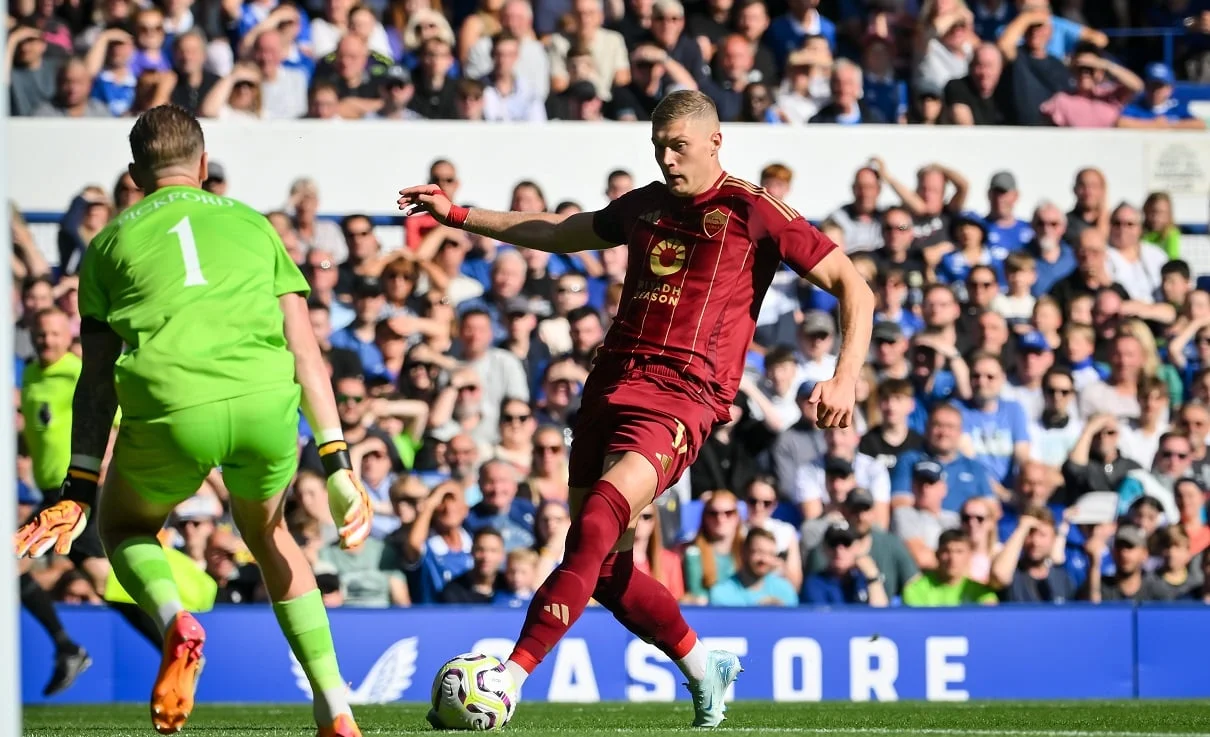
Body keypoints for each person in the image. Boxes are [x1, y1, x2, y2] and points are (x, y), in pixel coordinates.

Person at [397, 89, 874, 727]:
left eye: (679, 146)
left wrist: (843, 379)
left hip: (683, 397)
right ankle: (707, 668)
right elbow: (560, 233)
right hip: (610, 387)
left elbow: (854, 287)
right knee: (605, 567)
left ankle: (508, 677)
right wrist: (459, 215)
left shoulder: (752, 211)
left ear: (714, 142)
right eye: (658, 148)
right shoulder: (645, 206)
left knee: (595, 523)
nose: (669, 160)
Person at [13, 105, 372, 737]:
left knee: (122, 527)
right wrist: (338, 459)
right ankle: (335, 706)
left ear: (134, 176)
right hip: (264, 406)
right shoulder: (256, 226)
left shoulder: (106, 245)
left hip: (170, 408)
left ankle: (176, 618)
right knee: (270, 536)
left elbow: (95, 380)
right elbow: (306, 347)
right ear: (203, 166)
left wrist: (78, 485)